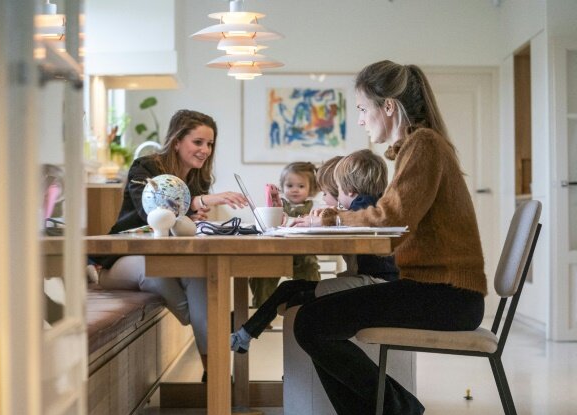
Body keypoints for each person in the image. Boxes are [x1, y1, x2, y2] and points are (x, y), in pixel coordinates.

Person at [289, 61, 487, 415]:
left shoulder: (425, 146)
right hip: (439, 291)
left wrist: (327, 219)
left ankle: (400, 411)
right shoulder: (420, 147)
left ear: (389, 107)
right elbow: (392, 221)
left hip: (448, 296)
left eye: (363, 109)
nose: (361, 119)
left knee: (311, 323)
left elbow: (389, 219)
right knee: (314, 322)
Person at [93, 109, 248, 381]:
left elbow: (180, 222)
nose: (205, 150)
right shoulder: (146, 167)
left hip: (162, 260)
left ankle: (216, 374)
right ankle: (209, 328)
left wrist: (191, 214)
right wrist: (200, 203)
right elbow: (150, 214)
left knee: (202, 278)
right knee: (159, 272)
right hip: (122, 261)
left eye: (209, 144)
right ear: (177, 141)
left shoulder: (198, 179)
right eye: (198, 142)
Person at [231, 150, 399, 352]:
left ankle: (244, 335)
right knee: (289, 290)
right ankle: (244, 335)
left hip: (375, 284)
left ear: (350, 190)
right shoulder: (369, 203)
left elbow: (351, 216)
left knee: (292, 296)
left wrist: (326, 218)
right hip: (373, 281)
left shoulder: (365, 204)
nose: (330, 197)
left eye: (336, 189)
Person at [248, 162, 321, 309]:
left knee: (310, 276)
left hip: (304, 255)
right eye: (289, 186)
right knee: (263, 275)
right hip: (278, 253)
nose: (295, 190)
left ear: (311, 189)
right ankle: (262, 309)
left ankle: (308, 308)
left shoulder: (316, 208)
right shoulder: (278, 205)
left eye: (301, 186)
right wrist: (274, 208)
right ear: (283, 186)